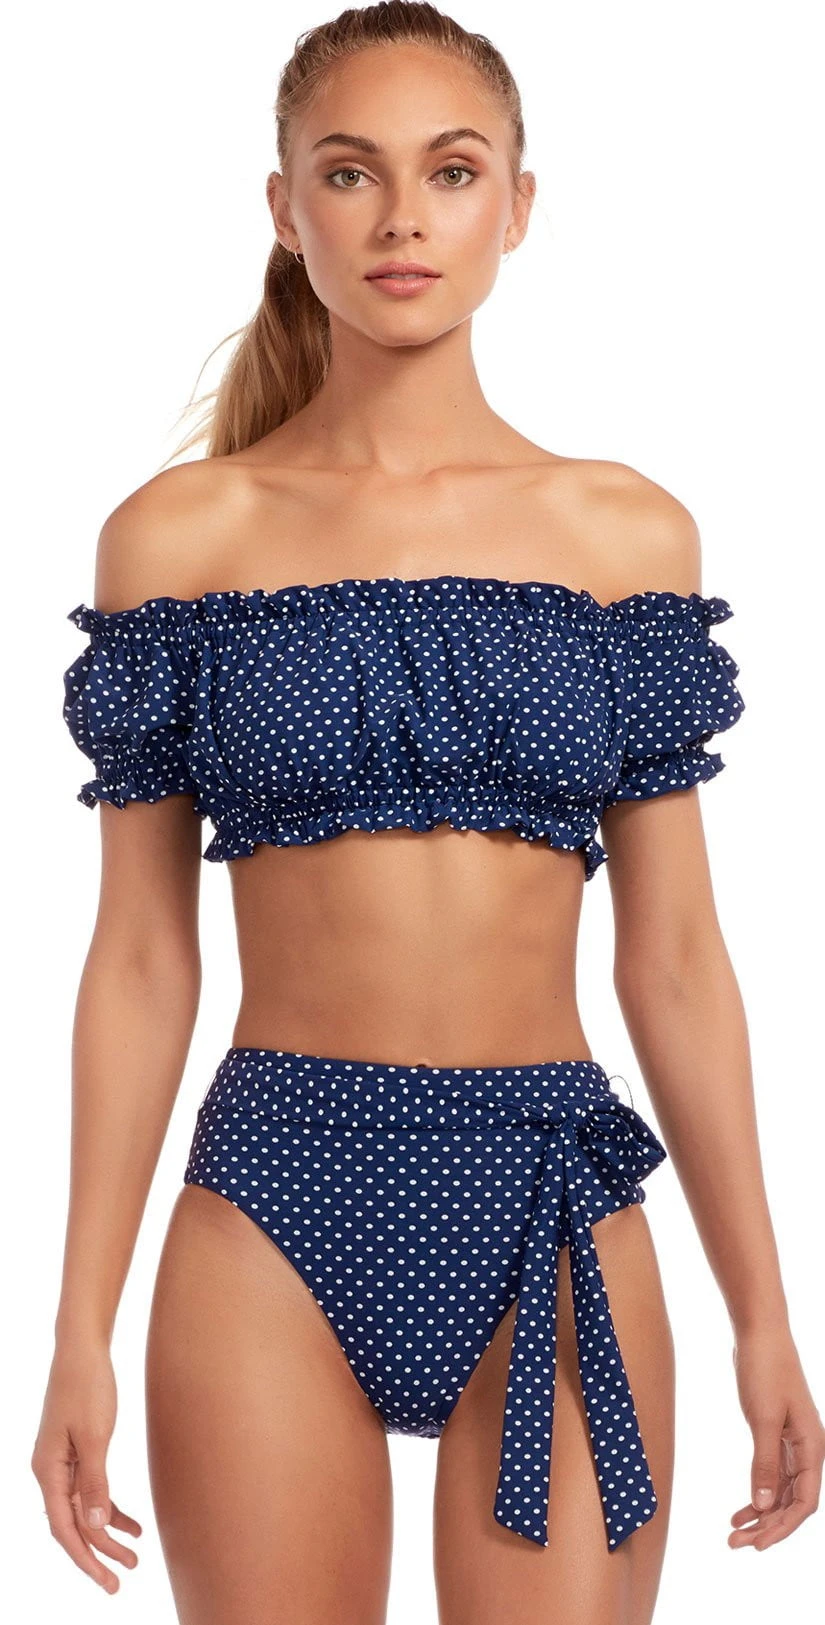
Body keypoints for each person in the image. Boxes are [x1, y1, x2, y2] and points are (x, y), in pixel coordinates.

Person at [31, 3, 824, 1622]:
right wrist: (74, 1328)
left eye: (451, 172)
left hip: (550, 1196)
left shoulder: (624, 535)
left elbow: (676, 958)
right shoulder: (178, 538)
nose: (403, 217)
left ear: (517, 206)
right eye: (351, 172)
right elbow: (141, 960)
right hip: (271, 1195)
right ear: (285, 209)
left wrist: (765, 1313)